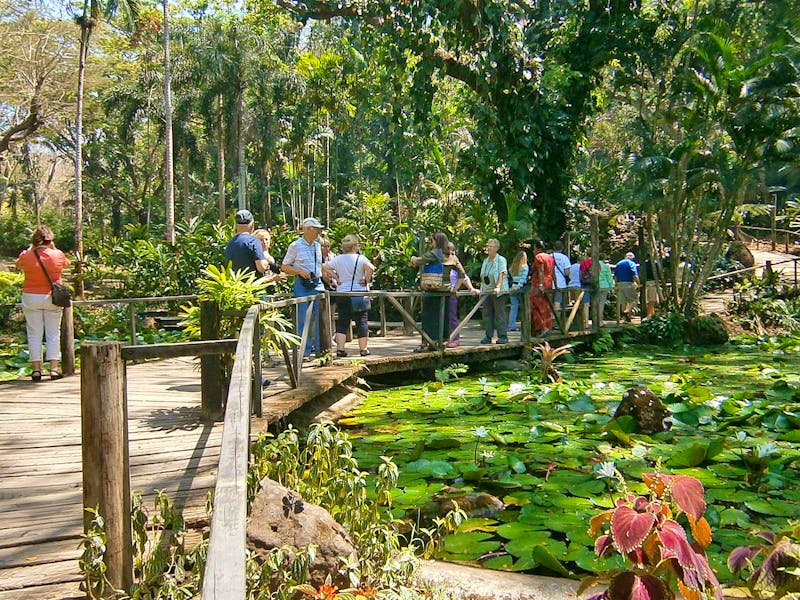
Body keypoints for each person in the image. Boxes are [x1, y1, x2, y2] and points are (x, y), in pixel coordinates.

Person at [15, 225, 70, 381]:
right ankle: (53, 369)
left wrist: (31, 248)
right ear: (50, 239)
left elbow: (18, 265)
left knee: (34, 334)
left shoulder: (26, 255)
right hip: (52, 298)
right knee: (53, 333)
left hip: (31, 296)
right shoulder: (57, 254)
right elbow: (67, 264)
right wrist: (54, 248)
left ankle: (36, 370)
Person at [410, 232, 468, 351]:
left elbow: (419, 261)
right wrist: (454, 289)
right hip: (446, 292)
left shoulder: (435, 254)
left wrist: (412, 259)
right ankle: (441, 341)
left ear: (437, 242)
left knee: (429, 318)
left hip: (433, 290)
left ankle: (429, 342)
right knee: (444, 318)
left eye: (432, 241)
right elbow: (462, 274)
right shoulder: (452, 256)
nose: (431, 244)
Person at [281, 217, 329, 358]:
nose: (319, 232)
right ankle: (305, 351)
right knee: (303, 317)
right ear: (308, 229)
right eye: (317, 229)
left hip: (317, 283)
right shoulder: (295, 246)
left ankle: (322, 350)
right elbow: (284, 266)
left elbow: (319, 264)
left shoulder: (317, 245)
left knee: (320, 317)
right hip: (302, 283)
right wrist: (300, 271)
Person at [329, 235, 375, 357]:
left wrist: (336, 278)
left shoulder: (337, 259)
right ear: (355, 246)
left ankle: (340, 349)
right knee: (361, 321)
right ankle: (363, 349)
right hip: (358, 292)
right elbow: (371, 268)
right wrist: (366, 280)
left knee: (343, 321)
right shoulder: (360, 258)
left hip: (342, 292)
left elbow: (324, 267)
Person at [446, 242, 480, 347]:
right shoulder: (443, 263)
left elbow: (464, 277)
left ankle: (455, 339)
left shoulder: (455, 265)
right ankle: (444, 338)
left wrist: (471, 288)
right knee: (443, 317)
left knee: (452, 316)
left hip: (452, 294)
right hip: (441, 293)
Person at [479, 238, 509, 344]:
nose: (488, 248)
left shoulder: (501, 260)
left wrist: (498, 286)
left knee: (499, 313)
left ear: (496, 248)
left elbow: (502, 273)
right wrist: (481, 290)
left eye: (491, 246)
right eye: (488, 246)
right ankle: (488, 336)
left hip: (498, 291)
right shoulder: (485, 261)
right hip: (487, 290)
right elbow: (483, 276)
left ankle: (503, 336)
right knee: (487, 314)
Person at [224, 209, 268, 276]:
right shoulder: (253, 241)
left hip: (234, 284)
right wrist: (266, 263)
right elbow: (261, 267)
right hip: (250, 284)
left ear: (236, 224)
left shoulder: (230, 242)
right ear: (252, 224)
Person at [529, 241, 555, 335]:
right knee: (545, 306)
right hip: (549, 282)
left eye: (534, 248)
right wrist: (555, 284)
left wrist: (540, 285)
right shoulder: (550, 257)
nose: (533, 251)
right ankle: (547, 327)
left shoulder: (539, 257)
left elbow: (541, 270)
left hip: (539, 284)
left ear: (539, 249)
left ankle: (542, 327)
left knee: (534, 306)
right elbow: (553, 272)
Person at [507, 251, 529, 332]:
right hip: (521, 288)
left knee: (514, 307)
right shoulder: (525, 266)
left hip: (513, 286)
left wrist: (513, 287)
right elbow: (523, 278)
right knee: (524, 307)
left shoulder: (513, 267)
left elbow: (510, 277)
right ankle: (525, 326)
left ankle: (511, 325)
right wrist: (518, 286)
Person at [615, 251, 640, 321]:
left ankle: (625, 319)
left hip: (619, 284)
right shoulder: (631, 263)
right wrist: (638, 283)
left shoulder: (618, 263)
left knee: (623, 302)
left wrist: (616, 284)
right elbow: (635, 274)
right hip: (628, 283)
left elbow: (615, 276)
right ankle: (626, 311)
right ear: (630, 257)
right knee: (635, 300)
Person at [551, 240, 571, 312]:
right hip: (561, 283)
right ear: (562, 248)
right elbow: (567, 273)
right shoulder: (564, 258)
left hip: (550, 282)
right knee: (557, 302)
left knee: (549, 302)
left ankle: (548, 320)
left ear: (553, 247)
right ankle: (556, 320)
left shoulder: (550, 256)